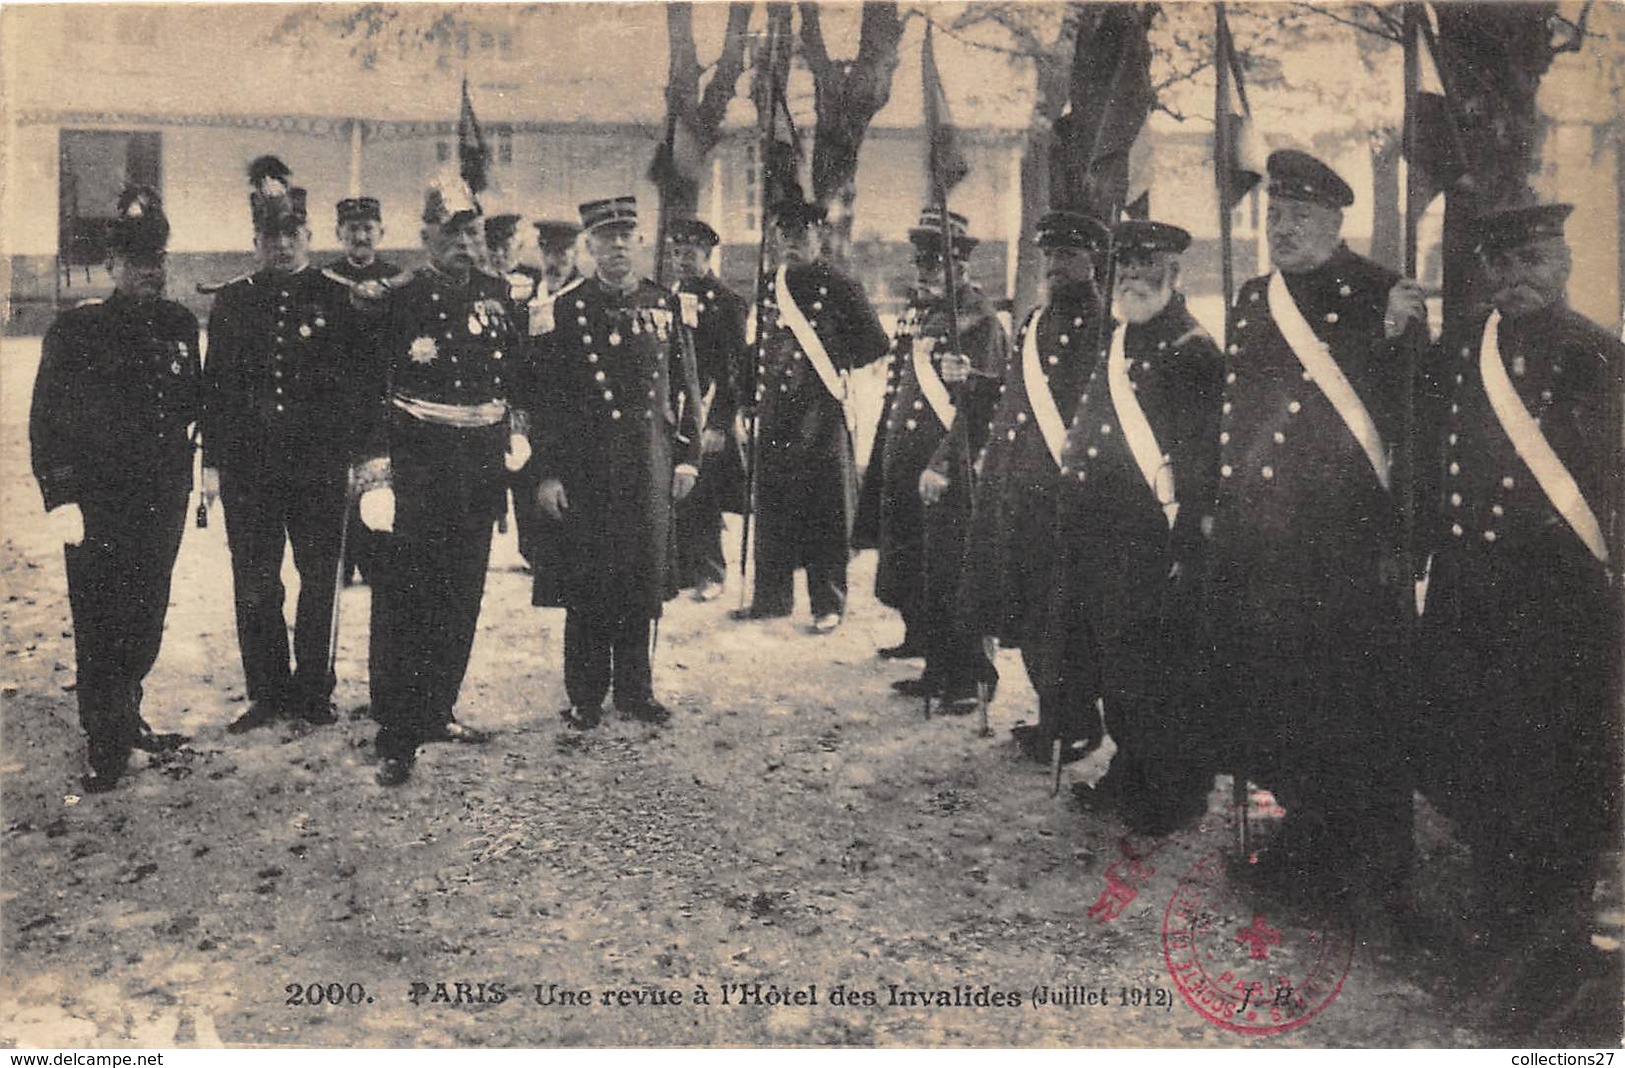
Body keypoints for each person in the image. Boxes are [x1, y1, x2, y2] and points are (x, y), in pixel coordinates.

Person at [1416, 199, 1622, 1032]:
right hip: (1471, 600)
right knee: (1482, 766)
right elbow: (1416, 433)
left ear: (1564, 261)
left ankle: (1553, 962)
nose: (1517, 279)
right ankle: (1496, 928)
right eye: (1501, 265)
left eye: (1533, 260)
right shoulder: (1463, 350)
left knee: (1557, 785)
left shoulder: (1601, 357)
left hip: (1559, 612)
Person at [1204, 149, 1429, 909]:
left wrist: (1405, 337)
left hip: (1343, 541)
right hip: (1264, 537)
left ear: (1336, 221)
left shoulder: (1379, 292)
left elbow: (1409, 421)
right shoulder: (1250, 296)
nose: (1283, 228)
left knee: (1350, 701)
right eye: (1274, 214)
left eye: (1300, 216)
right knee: (1278, 695)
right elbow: (1235, 418)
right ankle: (1302, 842)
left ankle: (1367, 868)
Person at [1050, 219, 1223, 835]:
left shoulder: (1193, 349)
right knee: (1114, 660)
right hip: (1102, 530)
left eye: (1146, 273)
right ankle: (1130, 767)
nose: (1132, 282)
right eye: (1124, 272)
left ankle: (1174, 792)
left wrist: (1187, 545)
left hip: (1154, 535)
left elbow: (1203, 459)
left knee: (1160, 669)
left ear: (1173, 277)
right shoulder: (1116, 338)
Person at [358, 176, 526, 785]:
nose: (463, 241)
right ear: (426, 234)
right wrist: (376, 474)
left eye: (472, 230)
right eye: (451, 231)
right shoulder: (398, 296)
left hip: (479, 462)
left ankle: (437, 708)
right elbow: (370, 389)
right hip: (419, 461)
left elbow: (518, 373)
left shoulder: (500, 293)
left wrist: (520, 428)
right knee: (406, 595)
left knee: (462, 590)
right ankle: (396, 729)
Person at [30, 187, 199, 792]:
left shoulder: (180, 324)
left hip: (162, 498)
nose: (146, 272)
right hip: (100, 504)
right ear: (111, 266)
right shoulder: (77, 333)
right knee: (101, 618)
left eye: (154, 259)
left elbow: (189, 405)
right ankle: (104, 742)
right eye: (133, 261)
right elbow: (47, 423)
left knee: (145, 615)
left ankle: (125, 718)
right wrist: (62, 496)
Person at [201, 167, 373, 733]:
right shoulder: (232, 302)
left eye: (291, 236)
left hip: (318, 470)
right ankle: (268, 691)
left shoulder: (338, 298)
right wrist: (215, 465)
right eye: (270, 237)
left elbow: (360, 388)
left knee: (320, 578)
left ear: (308, 238)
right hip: (250, 471)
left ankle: (314, 690)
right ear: (256, 241)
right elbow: (216, 391)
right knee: (255, 583)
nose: (281, 246)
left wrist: (357, 460)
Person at [527, 196, 703, 729]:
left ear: (640, 242)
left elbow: (686, 386)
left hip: (647, 464)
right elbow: (545, 401)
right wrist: (548, 473)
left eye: (627, 235)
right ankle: (585, 694)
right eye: (607, 238)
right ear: (590, 245)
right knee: (587, 583)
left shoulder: (666, 304)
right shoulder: (564, 309)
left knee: (640, 580)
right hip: (586, 470)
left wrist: (688, 458)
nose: (618, 245)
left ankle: (635, 689)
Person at [961, 209, 1108, 761]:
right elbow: (1014, 398)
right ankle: (1052, 714)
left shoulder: (1104, 325)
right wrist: (972, 385)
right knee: (1026, 605)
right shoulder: (1034, 321)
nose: (1055, 266)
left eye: (1068, 255)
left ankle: (1075, 723)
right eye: (1050, 255)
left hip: (1066, 492)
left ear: (1094, 260)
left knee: (1061, 614)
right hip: (1019, 486)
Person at [732, 197, 889, 632]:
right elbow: (754, 348)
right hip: (776, 413)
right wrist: (747, 399)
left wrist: (834, 359)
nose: (790, 242)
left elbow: (875, 344)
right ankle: (772, 596)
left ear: (818, 235)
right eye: (783, 234)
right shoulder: (770, 285)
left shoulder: (840, 284)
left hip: (821, 414)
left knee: (826, 509)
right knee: (772, 504)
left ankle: (828, 603)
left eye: (800, 234)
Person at [875, 207, 1006, 708]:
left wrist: (946, 463)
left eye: (939, 263)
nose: (927, 271)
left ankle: (970, 678)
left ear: (962, 266)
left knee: (958, 571)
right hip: (915, 459)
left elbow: (985, 403)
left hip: (953, 463)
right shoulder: (927, 313)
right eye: (922, 262)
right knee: (925, 569)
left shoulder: (980, 320)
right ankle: (936, 669)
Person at [667, 217, 748, 601]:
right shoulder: (666, 297)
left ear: (707, 254)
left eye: (691, 253)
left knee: (706, 491)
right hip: (675, 409)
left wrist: (719, 423)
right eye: (677, 252)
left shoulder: (727, 303)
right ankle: (681, 567)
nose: (683, 260)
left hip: (709, 407)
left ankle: (711, 572)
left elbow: (734, 370)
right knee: (677, 486)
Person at [325, 195, 401, 588]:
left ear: (381, 233)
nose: (361, 236)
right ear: (339, 234)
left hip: (382, 402)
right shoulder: (325, 282)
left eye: (368, 228)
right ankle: (344, 560)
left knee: (379, 485)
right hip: (336, 404)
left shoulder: (398, 281)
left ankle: (376, 561)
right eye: (352, 229)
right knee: (340, 485)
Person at [508, 219, 583, 571]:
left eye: (565, 253)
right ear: (541, 253)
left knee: (565, 479)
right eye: (551, 252)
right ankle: (533, 553)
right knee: (526, 476)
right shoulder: (526, 296)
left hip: (569, 406)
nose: (557, 261)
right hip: (529, 403)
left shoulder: (583, 296)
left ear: (576, 254)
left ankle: (563, 553)